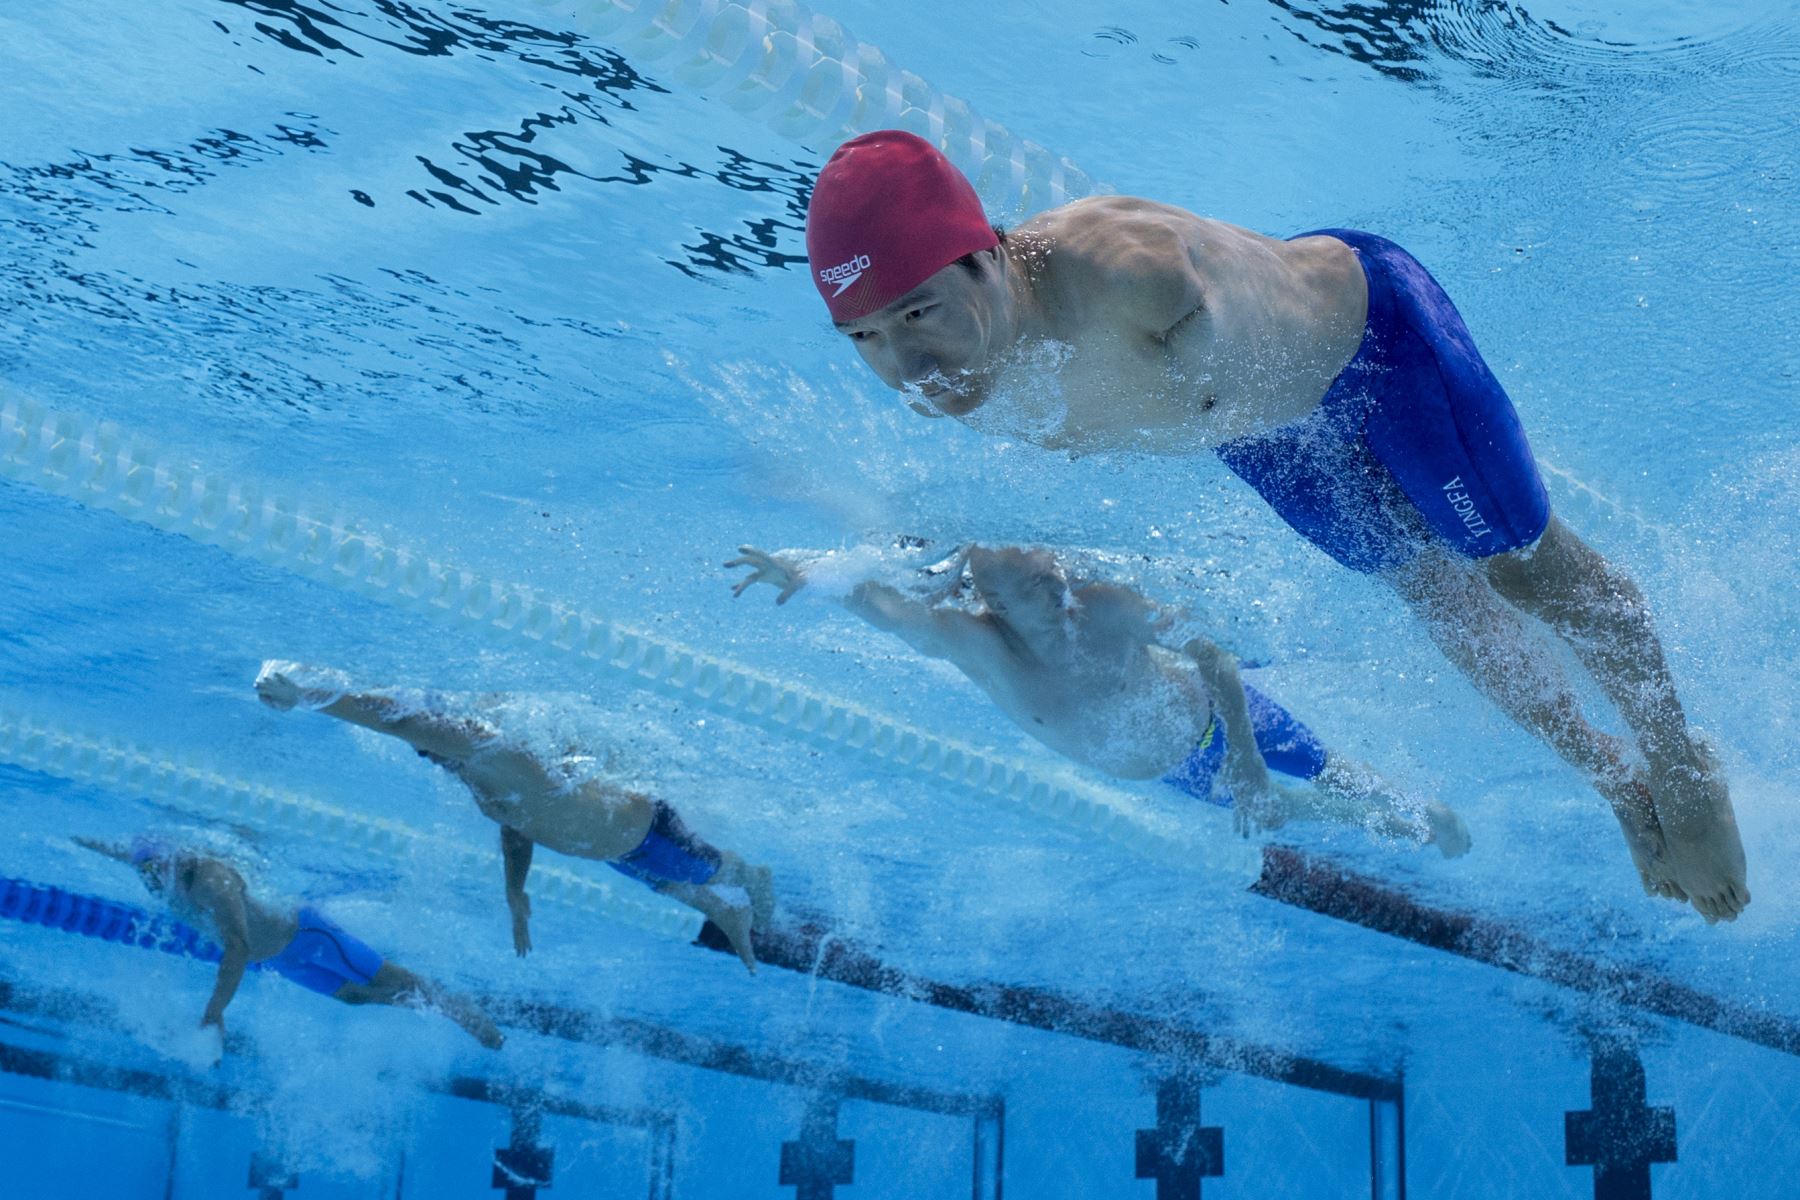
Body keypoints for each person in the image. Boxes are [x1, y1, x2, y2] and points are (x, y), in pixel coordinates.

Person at [801, 130, 1746, 921]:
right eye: (867, 341)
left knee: (1521, 570)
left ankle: (1679, 764)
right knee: (1436, 599)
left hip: (1379, 351)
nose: (907, 364)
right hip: (1261, 435)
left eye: (918, 312)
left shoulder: (1130, 276)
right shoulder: (964, 375)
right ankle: (1619, 782)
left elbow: (1232, 289)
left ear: (986, 255)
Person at [729, 542, 1471, 856]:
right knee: (1297, 807)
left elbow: (1212, 652)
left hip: (1223, 711)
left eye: (1055, 579)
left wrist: (1244, 754)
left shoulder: (1104, 604)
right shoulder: (980, 645)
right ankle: (1421, 827)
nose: (1059, 597)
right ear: (989, 603)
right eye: (1034, 592)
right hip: (1181, 767)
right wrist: (813, 574)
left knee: (1325, 767)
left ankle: (1422, 809)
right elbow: (897, 614)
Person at [253, 661, 775, 972]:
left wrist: (307, 695)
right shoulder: (471, 772)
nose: (429, 756)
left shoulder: (484, 747)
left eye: (430, 745)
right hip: (615, 851)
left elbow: (394, 717)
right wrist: (515, 891)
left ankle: (752, 880)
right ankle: (728, 916)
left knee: (715, 873)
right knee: (667, 888)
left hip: (649, 836)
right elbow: (518, 821)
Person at [74, 836, 503, 1051]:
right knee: (353, 998)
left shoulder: (212, 881)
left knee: (391, 976)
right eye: (145, 871)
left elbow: (237, 947)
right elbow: (121, 852)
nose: (149, 880)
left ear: (173, 859)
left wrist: (214, 1010)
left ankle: (461, 1010)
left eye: (152, 870)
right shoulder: (162, 872)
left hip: (306, 937)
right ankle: (434, 1006)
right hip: (282, 961)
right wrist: (78, 840)